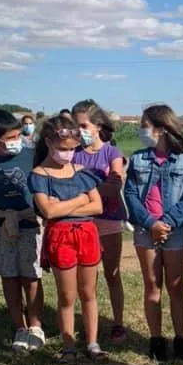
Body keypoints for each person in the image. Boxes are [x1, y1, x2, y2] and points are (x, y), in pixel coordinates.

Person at [28, 114, 105, 362]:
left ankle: (93, 343)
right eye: (63, 149)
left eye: (72, 149)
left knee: (89, 292)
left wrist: (64, 206)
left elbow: (97, 206)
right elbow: (48, 212)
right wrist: (81, 200)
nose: (68, 154)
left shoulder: (82, 172)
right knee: (67, 296)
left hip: (87, 235)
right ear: (49, 142)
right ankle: (69, 346)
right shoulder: (39, 175)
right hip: (60, 238)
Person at [125, 105, 183, 363]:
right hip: (146, 231)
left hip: (174, 231)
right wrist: (150, 223)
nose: (141, 131)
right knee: (152, 286)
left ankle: (181, 339)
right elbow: (130, 194)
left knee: (176, 287)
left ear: (162, 129)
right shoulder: (137, 159)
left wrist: (166, 223)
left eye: (144, 126)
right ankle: (156, 340)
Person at [0, 110, 45, 352]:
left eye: (18, 135)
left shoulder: (31, 155)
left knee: (31, 275)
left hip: (28, 222)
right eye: (11, 138)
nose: (17, 140)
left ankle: (35, 326)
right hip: (0, 224)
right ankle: (19, 327)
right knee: (9, 275)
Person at [72, 100, 127, 345]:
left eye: (83, 125)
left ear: (98, 126)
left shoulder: (112, 153)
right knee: (86, 280)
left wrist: (82, 190)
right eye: (75, 126)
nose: (79, 130)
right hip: (81, 223)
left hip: (109, 222)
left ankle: (118, 323)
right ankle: (89, 324)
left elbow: (115, 186)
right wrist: (97, 189)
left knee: (112, 274)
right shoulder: (72, 153)